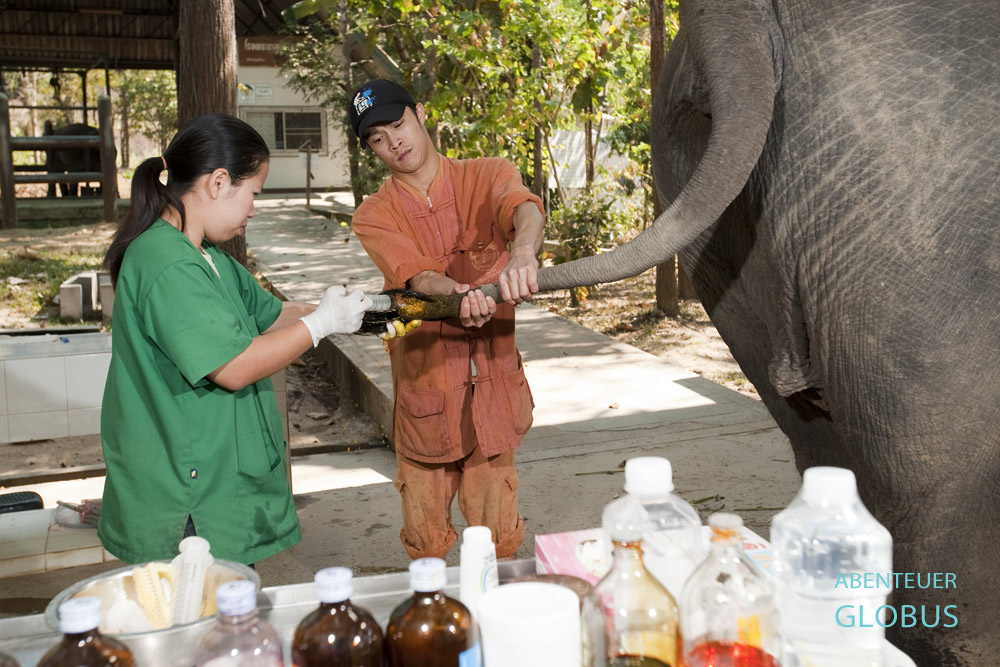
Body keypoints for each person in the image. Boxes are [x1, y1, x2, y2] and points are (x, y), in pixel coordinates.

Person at [98, 114, 372, 566]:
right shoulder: (166, 263)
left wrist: (349, 312)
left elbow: (271, 316)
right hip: (184, 493)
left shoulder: (208, 258)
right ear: (219, 182)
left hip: (211, 475)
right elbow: (235, 366)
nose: (254, 209)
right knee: (195, 616)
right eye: (254, 194)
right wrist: (321, 324)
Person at [349, 79, 546, 559]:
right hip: (427, 399)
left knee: (498, 543)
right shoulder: (373, 214)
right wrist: (455, 296)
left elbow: (523, 208)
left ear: (419, 114)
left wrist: (522, 254)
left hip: (493, 395)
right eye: (378, 138)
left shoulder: (488, 173)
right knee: (426, 548)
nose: (394, 142)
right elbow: (415, 277)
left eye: (398, 125)